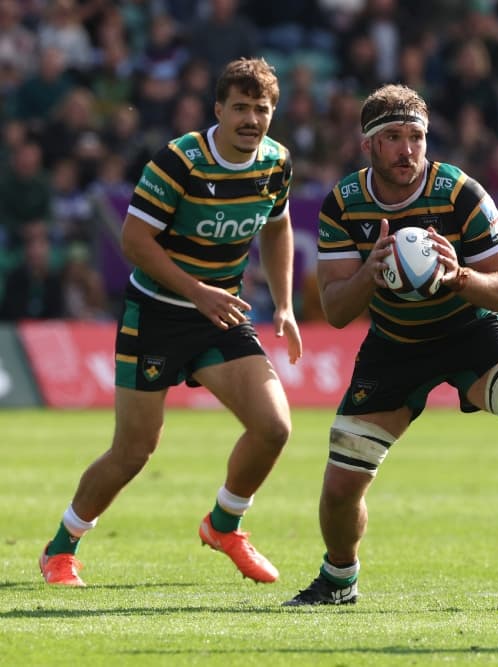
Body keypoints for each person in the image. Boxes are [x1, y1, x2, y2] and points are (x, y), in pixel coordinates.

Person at [284, 83, 498, 608]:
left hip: (471, 331)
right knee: (340, 487)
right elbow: (335, 311)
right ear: (368, 145)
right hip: (395, 344)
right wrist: (369, 272)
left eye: (416, 137)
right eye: (393, 137)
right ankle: (339, 579)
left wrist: (460, 276)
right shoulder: (344, 203)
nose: (407, 150)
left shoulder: (460, 192)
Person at [39, 57, 302, 587]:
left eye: (262, 109)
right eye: (241, 108)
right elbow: (135, 242)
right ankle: (61, 548)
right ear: (218, 110)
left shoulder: (276, 161)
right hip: (157, 313)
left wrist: (285, 304)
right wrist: (197, 291)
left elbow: (278, 227)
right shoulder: (180, 160)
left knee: (274, 427)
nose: (251, 119)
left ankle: (224, 524)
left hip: (219, 313)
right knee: (134, 451)